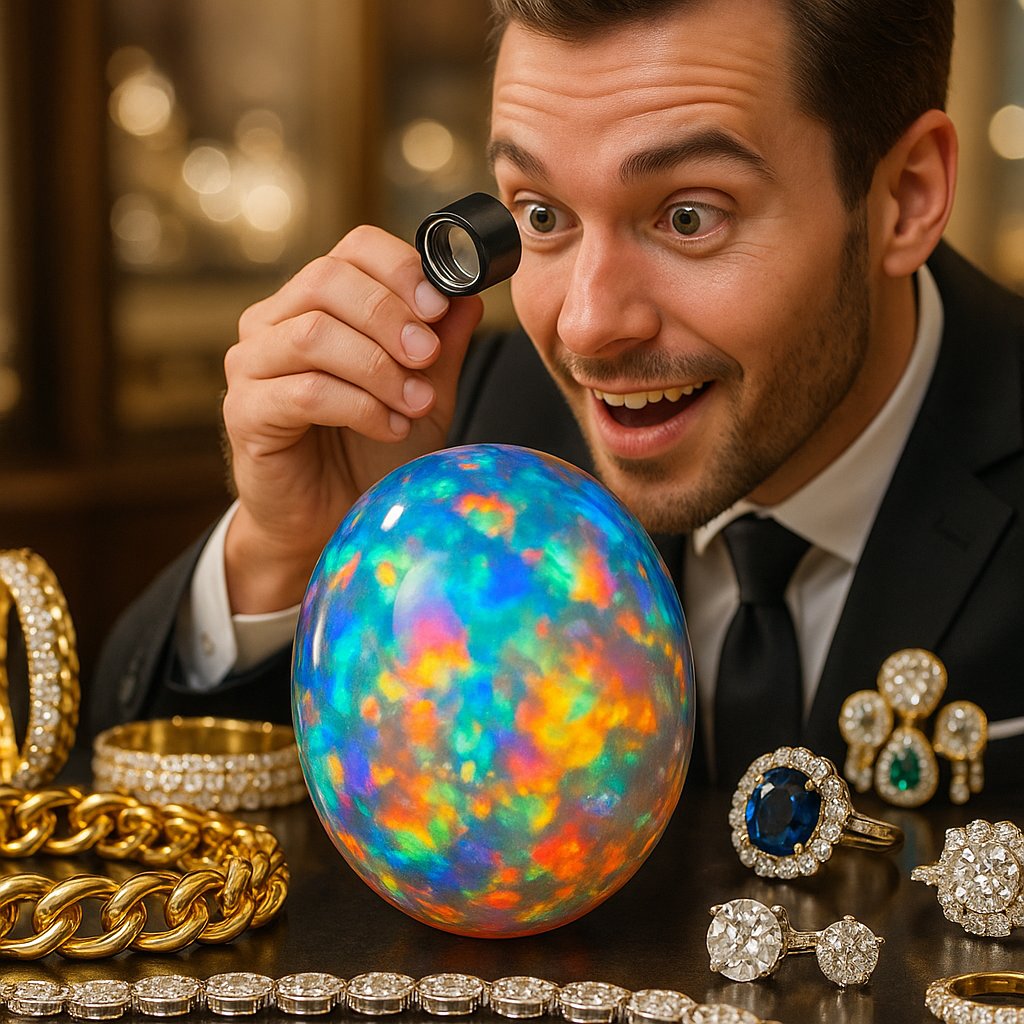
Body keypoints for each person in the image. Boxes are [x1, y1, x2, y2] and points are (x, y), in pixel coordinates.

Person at [93, 0, 1024, 790]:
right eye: (542, 215)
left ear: (905, 196)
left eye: (689, 217)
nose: (583, 326)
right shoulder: (467, 439)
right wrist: (289, 558)